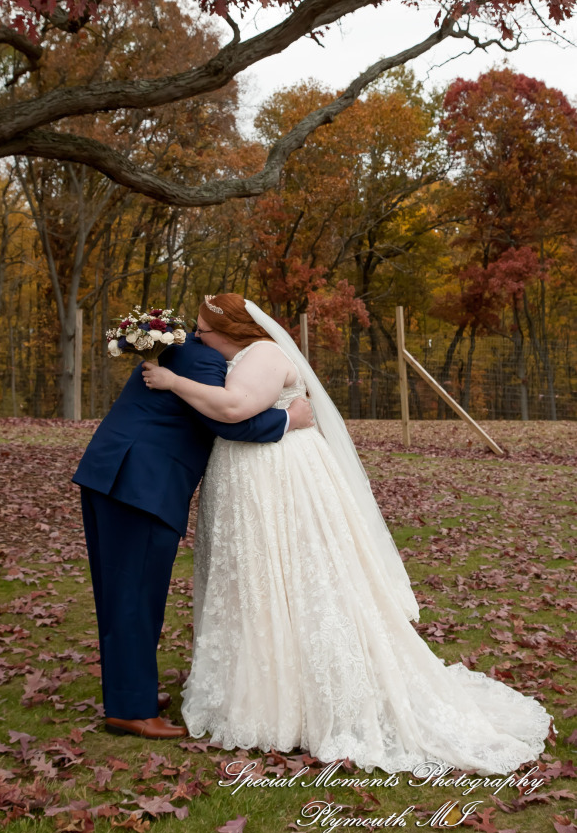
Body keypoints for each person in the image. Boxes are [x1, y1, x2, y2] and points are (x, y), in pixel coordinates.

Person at [141, 293, 552, 773]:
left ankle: (309, 696)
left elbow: (234, 408)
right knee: (252, 582)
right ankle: (258, 687)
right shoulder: (242, 356)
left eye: (203, 332)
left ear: (231, 331)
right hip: (249, 478)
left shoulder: (265, 354)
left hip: (280, 478)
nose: (198, 340)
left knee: (295, 575)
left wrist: (172, 380)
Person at [72, 327, 313, 740]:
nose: (198, 332)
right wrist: (291, 418)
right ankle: (132, 710)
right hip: (141, 488)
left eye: (203, 327)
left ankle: (131, 692)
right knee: (134, 599)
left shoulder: (180, 353)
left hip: (111, 476)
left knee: (118, 595)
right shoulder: (203, 361)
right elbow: (230, 423)